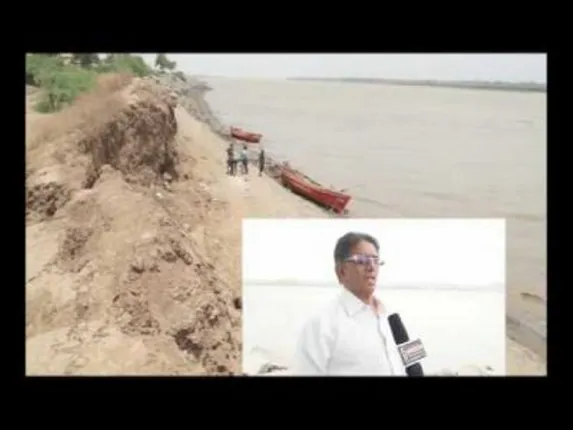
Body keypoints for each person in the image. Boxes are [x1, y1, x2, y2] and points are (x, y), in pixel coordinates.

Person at [294, 232, 407, 376]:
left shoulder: (393, 318)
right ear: (341, 271)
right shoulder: (321, 325)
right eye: (361, 260)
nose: (371, 267)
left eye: (375, 260)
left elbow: (415, 364)